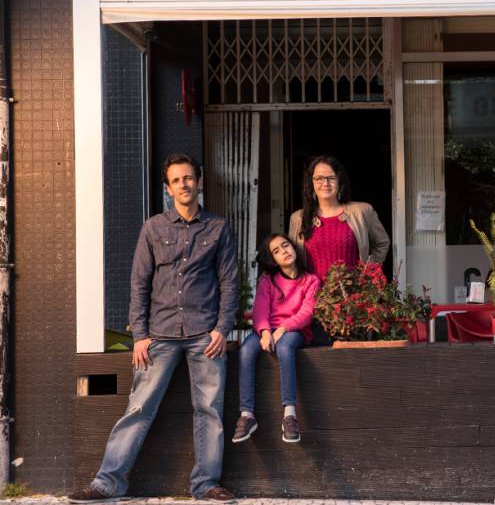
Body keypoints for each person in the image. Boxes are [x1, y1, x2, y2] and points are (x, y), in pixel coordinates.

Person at [69, 154, 239, 504]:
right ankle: (107, 483)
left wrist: (223, 328)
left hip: (205, 335)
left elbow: (230, 283)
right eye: (177, 180)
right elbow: (139, 284)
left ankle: (206, 485)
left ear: (199, 182)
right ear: (168, 188)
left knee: (210, 409)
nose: (184, 185)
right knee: (138, 408)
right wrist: (139, 335)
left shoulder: (218, 228)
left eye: (189, 178)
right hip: (158, 335)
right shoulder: (153, 228)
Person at [288, 155, 390, 346]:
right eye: (319, 178)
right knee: (320, 362)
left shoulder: (362, 211)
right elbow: (292, 261)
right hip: (314, 303)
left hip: (354, 303)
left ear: (339, 181)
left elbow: (382, 243)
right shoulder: (298, 219)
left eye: (330, 178)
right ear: (311, 184)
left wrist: (368, 272)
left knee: (352, 362)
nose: (324, 183)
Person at [231, 233, 320, 445]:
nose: (284, 252)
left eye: (286, 246)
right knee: (245, 350)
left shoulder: (311, 280)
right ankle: (247, 415)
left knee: (285, 348)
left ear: (294, 247)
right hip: (266, 330)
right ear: (273, 259)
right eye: (277, 251)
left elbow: (307, 312)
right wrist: (264, 332)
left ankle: (289, 415)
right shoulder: (268, 281)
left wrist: (284, 327)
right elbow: (260, 310)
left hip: (294, 330)